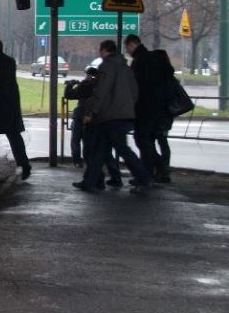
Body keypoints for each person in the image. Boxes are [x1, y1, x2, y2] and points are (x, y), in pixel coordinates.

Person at [74, 39, 151, 194]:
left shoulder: (107, 67)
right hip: (124, 114)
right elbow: (134, 92)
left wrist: (90, 113)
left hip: (110, 116)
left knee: (119, 149)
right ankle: (89, 181)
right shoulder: (126, 68)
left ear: (103, 51)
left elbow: (101, 92)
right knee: (101, 149)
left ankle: (143, 177)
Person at [67, 66, 123, 188]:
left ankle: (95, 179)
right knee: (105, 152)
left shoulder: (87, 86)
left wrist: (71, 85)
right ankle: (113, 178)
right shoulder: (106, 88)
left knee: (89, 151)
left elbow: (70, 95)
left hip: (88, 120)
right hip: (103, 122)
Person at [124, 34, 162, 178]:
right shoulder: (150, 58)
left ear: (132, 45)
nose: (127, 51)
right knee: (146, 140)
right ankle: (156, 168)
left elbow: (136, 85)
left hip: (144, 107)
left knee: (142, 140)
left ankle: (150, 171)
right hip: (154, 106)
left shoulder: (140, 60)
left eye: (127, 47)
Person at [0, 38, 31, 180]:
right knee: (14, 137)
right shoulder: (9, 61)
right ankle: (24, 164)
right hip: (10, 105)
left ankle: (24, 165)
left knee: (13, 136)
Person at [151, 49, 176, 183]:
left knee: (149, 142)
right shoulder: (169, 74)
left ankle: (160, 169)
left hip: (156, 114)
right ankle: (163, 170)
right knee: (163, 141)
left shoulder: (157, 76)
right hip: (166, 115)